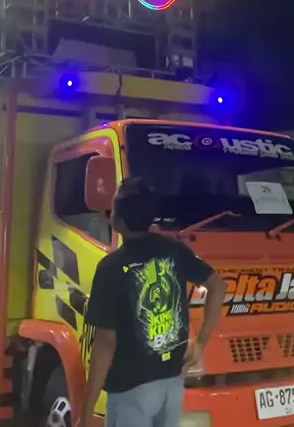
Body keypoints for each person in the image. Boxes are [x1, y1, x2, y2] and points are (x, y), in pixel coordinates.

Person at [78, 178, 226, 427]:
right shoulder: (174, 250)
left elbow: (105, 344)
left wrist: (86, 411)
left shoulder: (110, 268)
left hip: (130, 390)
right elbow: (218, 286)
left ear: (119, 221)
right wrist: (201, 342)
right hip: (172, 382)